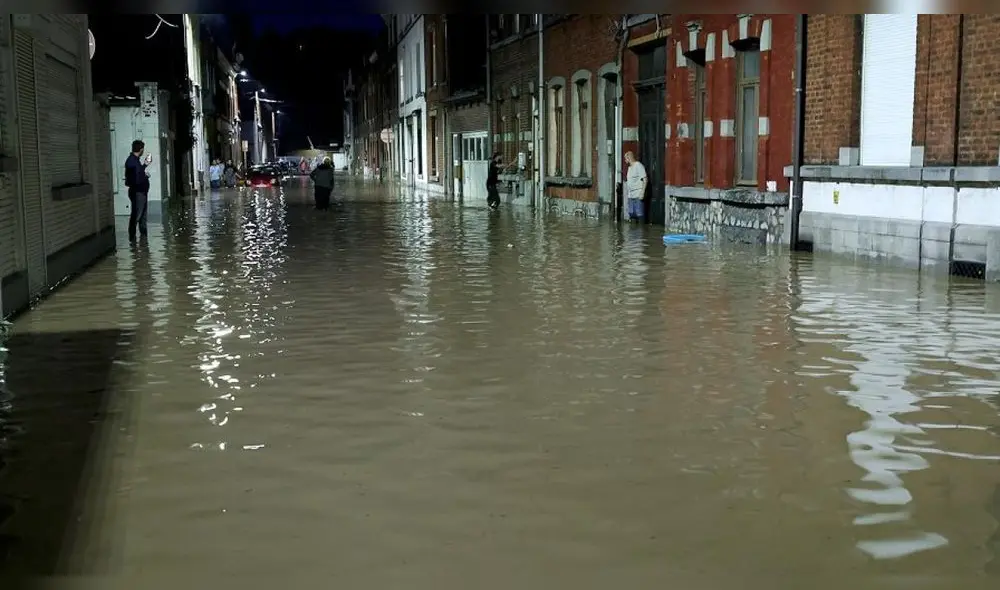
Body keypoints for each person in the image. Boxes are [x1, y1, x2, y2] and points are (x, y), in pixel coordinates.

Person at [124, 139, 152, 241]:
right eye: (143, 149)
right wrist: (145, 176)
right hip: (138, 192)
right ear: (141, 149)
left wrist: (144, 165)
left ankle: (143, 241)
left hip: (141, 192)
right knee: (136, 215)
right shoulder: (131, 161)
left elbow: (138, 173)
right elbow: (136, 179)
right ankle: (132, 239)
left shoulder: (135, 161)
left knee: (142, 217)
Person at [624, 151, 647, 222]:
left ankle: (641, 231)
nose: (625, 160)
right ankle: (633, 231)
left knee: (639, 214)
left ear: (629, 158)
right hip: (631, 195)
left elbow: (645, 179)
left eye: (626, 158)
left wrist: (642, 192)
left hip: (638, 193)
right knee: (631, 213)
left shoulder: (638, 165)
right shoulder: (629, 168)